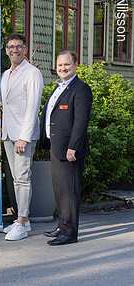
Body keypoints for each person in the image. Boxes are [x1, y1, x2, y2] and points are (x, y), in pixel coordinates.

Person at [40, 50, 92, 246]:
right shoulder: (59, 87)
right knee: (60, 190)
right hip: (56, 147)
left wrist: (73, 147)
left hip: (70, 150)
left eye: (67, 65)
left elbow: (81, 122)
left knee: (69, 192)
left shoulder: (81, 89)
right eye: (60, 65)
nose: (62, 68)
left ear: (75, 65)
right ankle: (62, 225)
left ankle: (70, 233)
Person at [1, 33, 44, 241]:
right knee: (17, 179)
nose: (14, 50)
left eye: (18, 46)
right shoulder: (6, 74)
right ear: (6, 49)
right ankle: (23, 221)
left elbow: (32, 107)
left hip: (22, 135)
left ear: (25, 49)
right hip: (8, 133)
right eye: (10, 46)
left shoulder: (32, 73)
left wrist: (24, 137)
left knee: (23, 178)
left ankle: (21, 220)